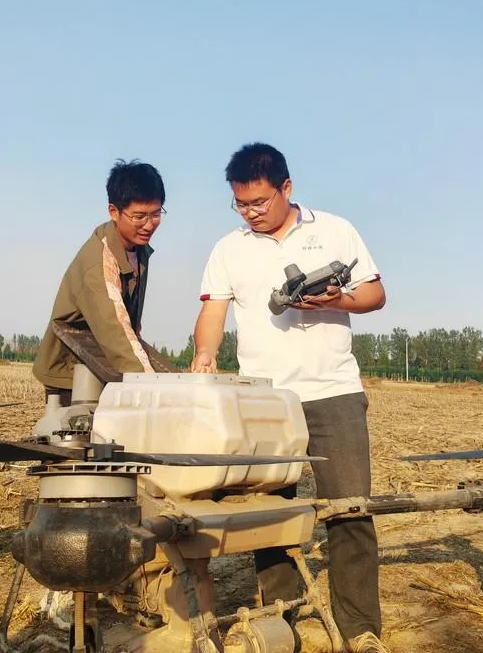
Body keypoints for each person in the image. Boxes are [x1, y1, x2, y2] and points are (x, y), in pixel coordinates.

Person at [190, 142, 389, 653]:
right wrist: (206, 356)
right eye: (241, 204)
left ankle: (360, 629)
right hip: (264, 400)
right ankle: (282, 619)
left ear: (286, 188)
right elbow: (213, 310)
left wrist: (337, 300)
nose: (251, 213)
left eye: (259, 202)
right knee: (269, 514)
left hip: (333, 390)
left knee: (349, 509)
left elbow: (375, 294)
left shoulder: (335, 230)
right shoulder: (228, 248)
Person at [32, 158, 166, 401]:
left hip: (103, 362)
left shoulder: (138, 250)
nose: (149, 225)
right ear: (114, 212)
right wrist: (151, 389)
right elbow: (115, 330)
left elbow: (128, 326)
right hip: (71, 373)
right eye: (139, 217)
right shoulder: (98, 262)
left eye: (156, 214)